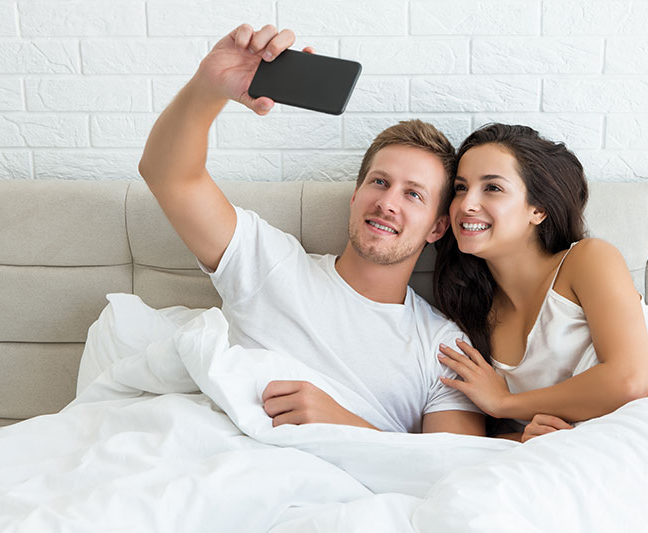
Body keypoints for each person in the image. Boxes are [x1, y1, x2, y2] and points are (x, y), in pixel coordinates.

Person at [138, 23, 484, 436]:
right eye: (379, 182)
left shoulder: (443, 347)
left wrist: (342, 422)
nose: (387, 202)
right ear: (355, 196)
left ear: (438, 227)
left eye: (414, 195)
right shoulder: (271, 266)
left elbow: (452, 470)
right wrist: (207, 88)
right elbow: (168, 175)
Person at [433, 123, 648, 442]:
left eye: (492, 188)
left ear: (538, 209)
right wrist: (524, 437)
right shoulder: (474, 312)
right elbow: (491, 440)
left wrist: (504, 403)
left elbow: (629, 382)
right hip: (574, 453)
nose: (466, 204)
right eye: (460, 187)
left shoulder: (588, 260)